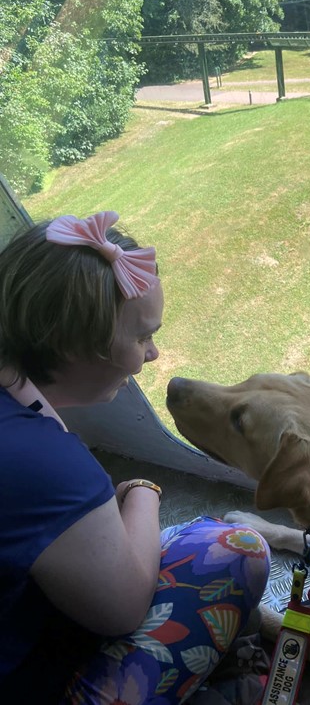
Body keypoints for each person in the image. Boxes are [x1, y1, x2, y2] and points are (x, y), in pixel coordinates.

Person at [0, 211, 271, 704]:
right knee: (235, 547)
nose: (154, 354)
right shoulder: (46, 465)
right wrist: (140, 491)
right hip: (27, 680)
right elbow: (123, 608)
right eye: (142, 336)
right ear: (71, 345)